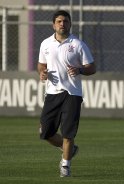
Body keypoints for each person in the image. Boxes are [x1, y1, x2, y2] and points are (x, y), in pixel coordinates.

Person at [37, 10, 96, 177]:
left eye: (66, 21)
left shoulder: (78, 44)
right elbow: (41, 66)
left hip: (72, 94)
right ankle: (69, 150)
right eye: (59, 21)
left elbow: (92, 68)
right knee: (45, 132)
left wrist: (79, 70)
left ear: (70, 24)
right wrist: (42, 73)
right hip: (52, 93)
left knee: (68, 133)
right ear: (53, 25)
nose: (62, 24)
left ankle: (66, 166)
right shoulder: (45, 44)